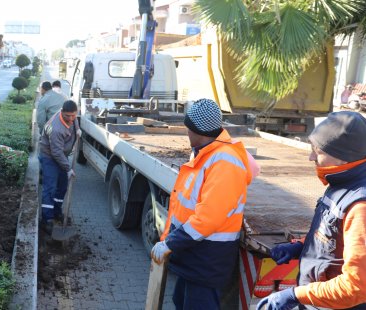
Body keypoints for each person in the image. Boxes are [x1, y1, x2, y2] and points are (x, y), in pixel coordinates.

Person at [150, 98, 253, 309]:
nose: (186, 133)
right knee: (180, 301)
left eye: (189, 129)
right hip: (195, 256)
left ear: (200, 131)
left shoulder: (224, 161)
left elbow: (209, 217)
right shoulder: (207, 153)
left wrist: (171, 243)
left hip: (207, 260)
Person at [257, 111, 366, 310]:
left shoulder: (360, 206)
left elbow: (357, 286)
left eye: (318, 151)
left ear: (343, 157)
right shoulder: (340, 183)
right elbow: (333, 236)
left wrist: (295, 295)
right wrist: (301, 247)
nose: (310, 157)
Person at [38, 100, 80, 233]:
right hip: (49, 157)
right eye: (68, 116)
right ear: (62, 112)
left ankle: (56, 211)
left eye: (74, 115)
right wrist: (68, 168)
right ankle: (47, 219)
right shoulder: (56, 128)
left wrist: (78, 130)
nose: (71, 118)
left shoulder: (72, 118)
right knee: (50, 188)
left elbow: (75, 121)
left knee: (62, 186)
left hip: (62, 155)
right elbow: (56, 153)